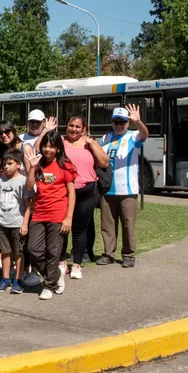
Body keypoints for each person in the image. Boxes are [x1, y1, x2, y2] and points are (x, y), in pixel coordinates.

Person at [25, 131, 76, 301]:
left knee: (52, 251)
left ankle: (48, 286)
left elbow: (72, 193)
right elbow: (29, 187)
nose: (47, 149)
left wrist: (68, 217)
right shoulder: (38, 165)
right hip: (39, 213)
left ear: (58, 148)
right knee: (34, 250)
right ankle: (55, 275)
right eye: (45, 146)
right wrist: (32, 167)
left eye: (51, 146)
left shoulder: (65, 165)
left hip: (58, 214)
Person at [97, 105, 149, 269]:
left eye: (123, 122)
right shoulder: (105, 138)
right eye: (116, 122)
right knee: (107, 224)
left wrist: (138, 122)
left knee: (128, 224)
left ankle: (128, 255)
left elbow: (144, 134)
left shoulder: (133, 136)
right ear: (112, 122)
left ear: (127, 123)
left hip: (127, 190)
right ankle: (108, 254)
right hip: (107, 189)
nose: (119, 125)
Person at [62, 115, 110, 279]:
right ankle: (62, 262)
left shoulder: (90, 144)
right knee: (63, 228)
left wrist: (92, 144)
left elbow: (104, 163)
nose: (73, 129)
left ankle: (76, 264)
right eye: (71, 125)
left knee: (80, 229)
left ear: (84, 129)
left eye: (77, 126)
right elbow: (42, 149)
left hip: (87, 191)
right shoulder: (61, 142)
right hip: (65, 191)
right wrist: (46, 130)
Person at [0, 148, 29, 294]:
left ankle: (18, 280)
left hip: (17, 223)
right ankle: (5, 279)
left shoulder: (23, 181)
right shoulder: (0, 181)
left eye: (10, 163)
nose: (6, 167)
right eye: (4, 164)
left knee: (18, 252)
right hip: (3, 222)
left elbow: (27, 205)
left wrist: (25, 223)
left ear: (18, 164)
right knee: (5, 251)